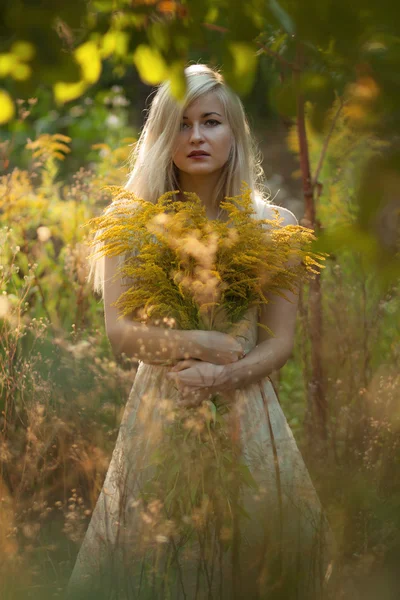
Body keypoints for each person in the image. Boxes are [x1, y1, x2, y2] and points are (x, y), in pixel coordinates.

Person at [66, 64, 334, 599]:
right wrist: (202, 344)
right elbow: (121, 333)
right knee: (158, 561)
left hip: (247, 409)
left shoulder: (274, 226)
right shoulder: (131, 222)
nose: (195, 137)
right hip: (162, 408)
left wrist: (223, 374)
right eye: (181, 125)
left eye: (210, 122)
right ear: (163, 136)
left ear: (233, 131)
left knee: (257, 560)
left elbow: (280, 341)